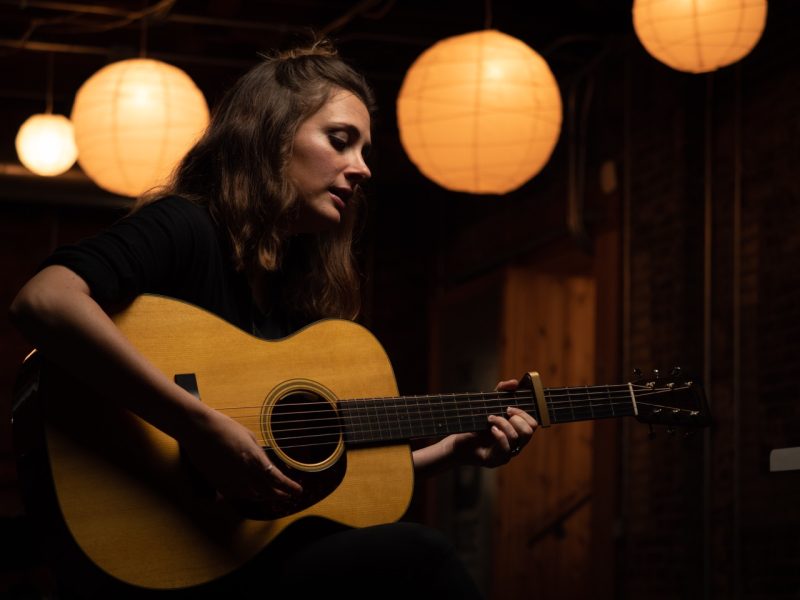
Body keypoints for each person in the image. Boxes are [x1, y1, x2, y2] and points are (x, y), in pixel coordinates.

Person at [10, 39, 537, 599]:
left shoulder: (291, 290)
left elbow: (315, 478)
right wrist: (197, 425)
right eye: (340, 141)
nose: (361, 168)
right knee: (420, 557)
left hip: (240, 555)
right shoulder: (186, 227)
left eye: (364, 150)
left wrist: (454, 450)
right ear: (272, 136)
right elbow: (45, 300)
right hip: (165, 555)